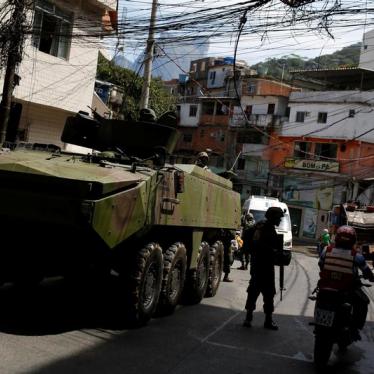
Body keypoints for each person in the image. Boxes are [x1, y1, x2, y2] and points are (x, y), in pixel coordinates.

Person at [319, 225, 374, 338]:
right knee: (363, 302)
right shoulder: (357, 256)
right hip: (346, 290)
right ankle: (354, 329)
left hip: (325, 287)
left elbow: (321, 264)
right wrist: (371, 277)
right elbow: (367, 272)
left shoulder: (326, 250)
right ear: (353, 240)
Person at [243, 207, 284, 330]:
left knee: (256, 291)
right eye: (278, 218)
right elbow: (261, 246)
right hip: (263, 266)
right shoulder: (264, 228)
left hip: (258, 265)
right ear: (273, 217)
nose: (280, 220)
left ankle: (250, 318)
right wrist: (274, 252)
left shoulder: (262, 226)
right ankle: (264, 320)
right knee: (266, 292)